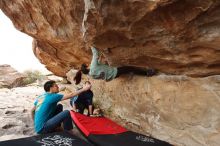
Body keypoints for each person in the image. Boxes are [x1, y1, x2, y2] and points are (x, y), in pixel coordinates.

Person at [80, 47, 157, 81]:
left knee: (124, 70)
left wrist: (101, 58)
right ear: (87, 68)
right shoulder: (93, 66)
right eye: (87, 65)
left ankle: (128, 73)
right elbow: (95, 53)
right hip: (114, 72)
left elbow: (99, 66)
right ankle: (147, 73)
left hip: (112, 77)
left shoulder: (91, 75)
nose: (89, 64)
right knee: (130, 68)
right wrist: (91, 46)